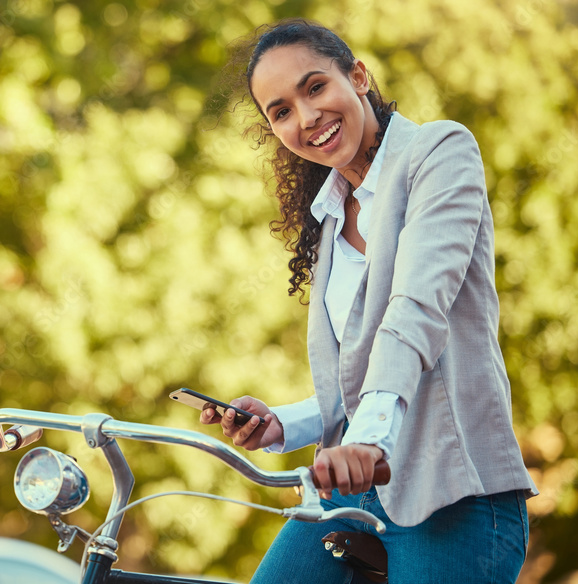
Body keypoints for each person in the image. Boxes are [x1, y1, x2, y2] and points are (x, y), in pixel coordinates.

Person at [199, 19, 538, 583]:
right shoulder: (332, 216)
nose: (306, 118)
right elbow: (355, 377)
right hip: (358, 493)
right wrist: (280, 424)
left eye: (314, 88)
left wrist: (368, 440)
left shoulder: (438, 152)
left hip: (455, 488)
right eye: (280, 111)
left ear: (357, 76)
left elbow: (414, 311)